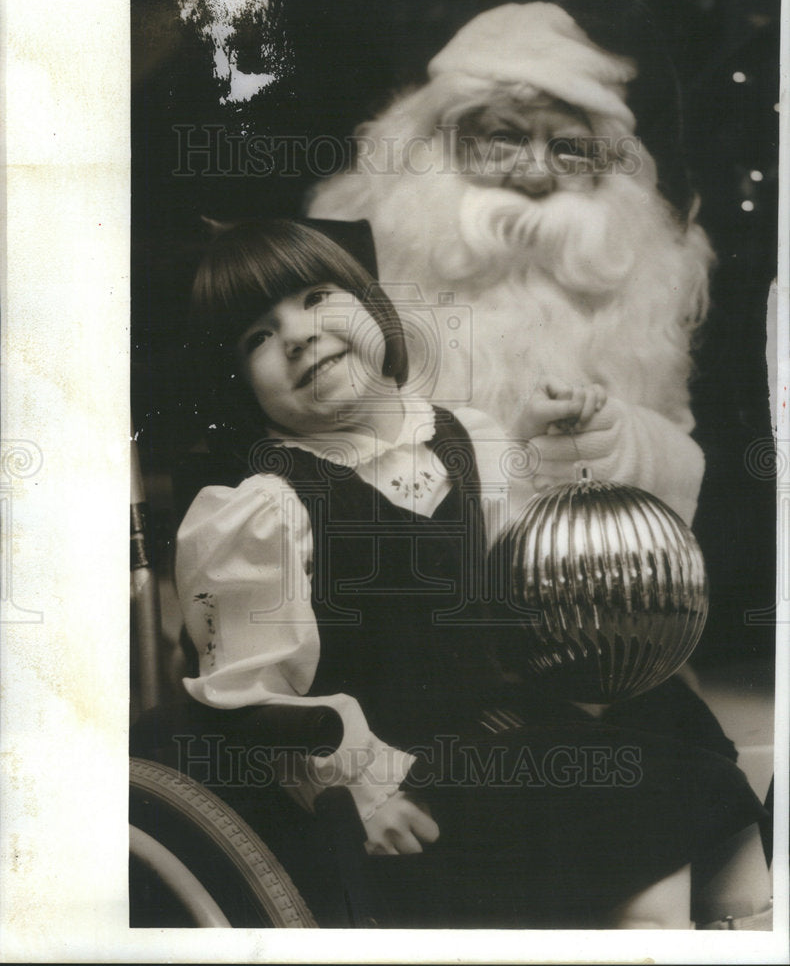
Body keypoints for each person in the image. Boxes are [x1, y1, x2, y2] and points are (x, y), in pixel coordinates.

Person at [175, 216, 770, 929]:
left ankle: (726, 920)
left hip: (518, 728)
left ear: (372, 307)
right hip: (424, 779)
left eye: (314, 298)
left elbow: (530, 586)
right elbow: (247, 694)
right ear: (241, 385)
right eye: (257, 338)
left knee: (666, 722)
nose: (297, 335)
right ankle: (655, 928)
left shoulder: (473, 438)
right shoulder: (263, 512)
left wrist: (558, 444)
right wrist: (366, 789)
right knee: (620, 803)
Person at [308, 0, 713, 526]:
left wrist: (616, 441)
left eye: (569, 150)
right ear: (444, 142)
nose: (535, 176)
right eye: (506, 138)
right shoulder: (359, 263)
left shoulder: (647, 276)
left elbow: (679, 453)